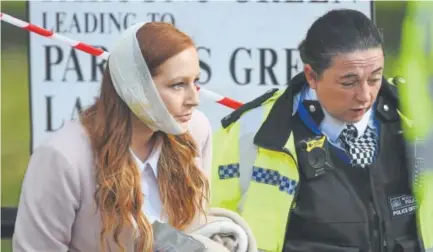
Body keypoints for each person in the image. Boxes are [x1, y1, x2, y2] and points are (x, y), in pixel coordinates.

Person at [210, 9, 430, 252]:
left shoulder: (416, 123)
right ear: (312, 76)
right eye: (349, 82)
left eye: (375, 78)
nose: (365, 95)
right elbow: (212, 226)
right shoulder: (252, 132)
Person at [12, 22, 216, 252]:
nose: (194, 99)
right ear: (136, 87)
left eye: (195, 82)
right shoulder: (63, 157)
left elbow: (196, 229)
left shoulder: (195, 130)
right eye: (178, 85)